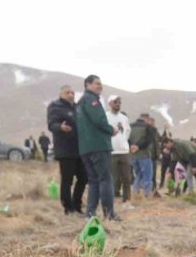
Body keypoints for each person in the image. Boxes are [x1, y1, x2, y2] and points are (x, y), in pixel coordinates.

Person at [77, 75, 120, 221]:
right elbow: (98, 120)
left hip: (85, 148)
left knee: (94, 180)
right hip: (98, 146)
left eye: (101, 83)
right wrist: (111, 130)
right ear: (87, 85)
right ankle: (109, 214)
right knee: (105, 179)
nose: (100, 86)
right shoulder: (91, 100)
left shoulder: (80, 102)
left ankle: (90, 213)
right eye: (96, 83)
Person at [47, 85, 87, 214]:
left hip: (80, 148)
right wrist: (60, 127)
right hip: (65, 149)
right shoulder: (55, 106)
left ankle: (77, 205)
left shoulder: (77, 107)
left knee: (84, 177)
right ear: (61, 94)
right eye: (67, 92)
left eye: (72, 92)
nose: (71, 94)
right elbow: (51, 124)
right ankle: (68, 208)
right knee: (67, 180)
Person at [105, 95, 133, 202]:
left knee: (127, 177)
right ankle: (111, 199)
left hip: (124, 151)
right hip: (111, 151)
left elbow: (128, 131)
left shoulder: (124, 118)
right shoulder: (105, 116)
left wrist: (123, 141)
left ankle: (127, 200)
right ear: (110, 103)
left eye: (119, 102)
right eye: (116, 102)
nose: (118, 104)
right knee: (113, 178)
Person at [128, 113, 158, 200]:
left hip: (133, 155)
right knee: (147, 176)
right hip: (145, 155)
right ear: (147, 119)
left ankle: (135, 192)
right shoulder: (148, 127)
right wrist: (138, 146)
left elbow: (126, 139)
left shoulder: (130, 126)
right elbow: (148, 140)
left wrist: (132, 146)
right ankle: (147, 194)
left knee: (139, 175)